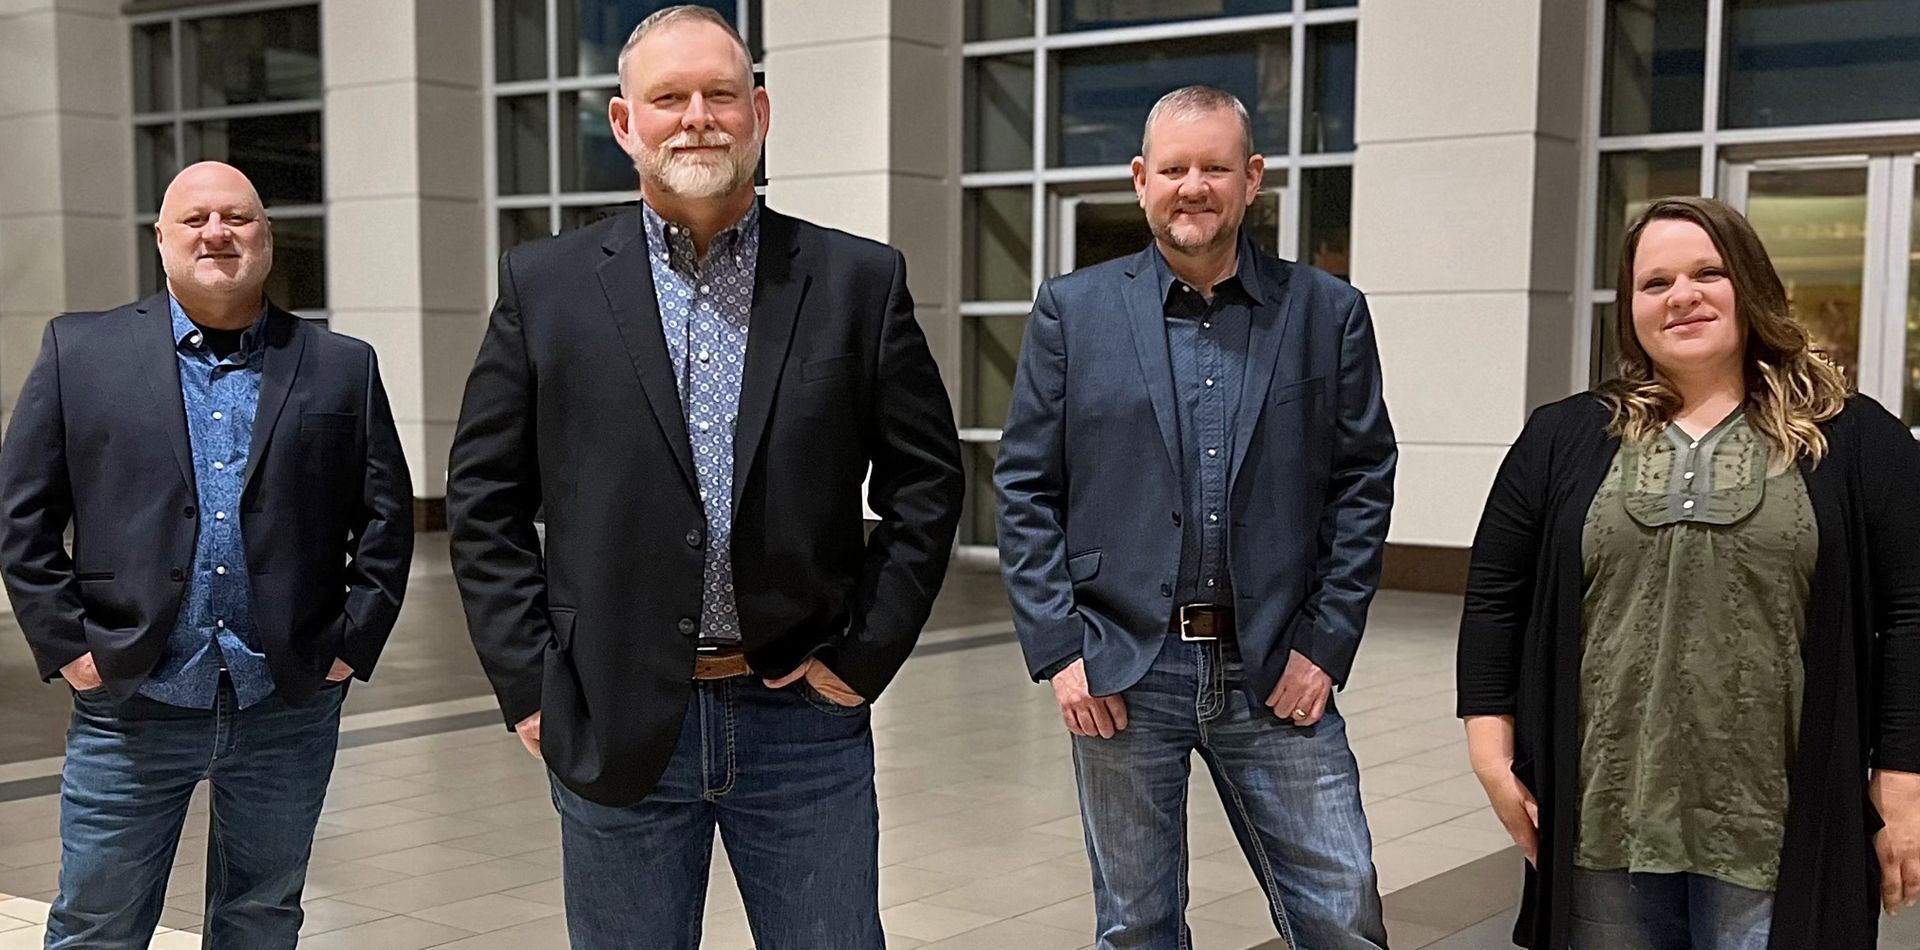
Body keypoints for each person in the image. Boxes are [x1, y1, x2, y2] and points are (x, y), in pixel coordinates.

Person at [446, 6, 965, 948]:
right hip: (616, 717)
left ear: (758, 112)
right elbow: (483, 502)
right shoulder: (545, 286)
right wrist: (532, 689)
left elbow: (927, 485)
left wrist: (862, 662)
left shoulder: (855, 283)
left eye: (721, 95)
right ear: (623, 123)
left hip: (802, 723)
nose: (697, 117)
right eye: (669, 98)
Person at [1457, 195, 1920, 949]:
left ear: (1752, 285)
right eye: (1655, 283)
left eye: (1708, 272)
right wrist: (1489, 746)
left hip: (1772, 825)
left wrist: (1904, 781)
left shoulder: (1855, 437)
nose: (1683, 297)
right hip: (1605, 822)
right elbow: (1495, 598)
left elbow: (1911, 611)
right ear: (1630, 308)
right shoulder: (1564, 437)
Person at [994, 84, 1397, 949]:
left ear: (1252, 179)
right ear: (1141, 181)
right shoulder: (1074, 312)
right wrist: (1061, 649)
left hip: (1277, 665)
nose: (1194, 186)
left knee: (1343, 908)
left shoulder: (1328, 314)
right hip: (1124, 669)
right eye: (1174, 168)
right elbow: (1025, 487)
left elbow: (1362, 483)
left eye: (1215, 167)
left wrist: (1325, 646)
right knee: (1137, 924)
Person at [0, 160, 414, 949]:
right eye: (194, 220)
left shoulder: (339, 364)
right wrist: (68, 647)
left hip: (285, 702)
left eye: (237, 217)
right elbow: (22, 514)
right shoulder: (79, 350)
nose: (216, 233)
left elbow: (387, 521)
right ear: (161, 239)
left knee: (262, 917)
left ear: (265, 236)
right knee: (97, 922)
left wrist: (347, 648)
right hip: (130, 697)